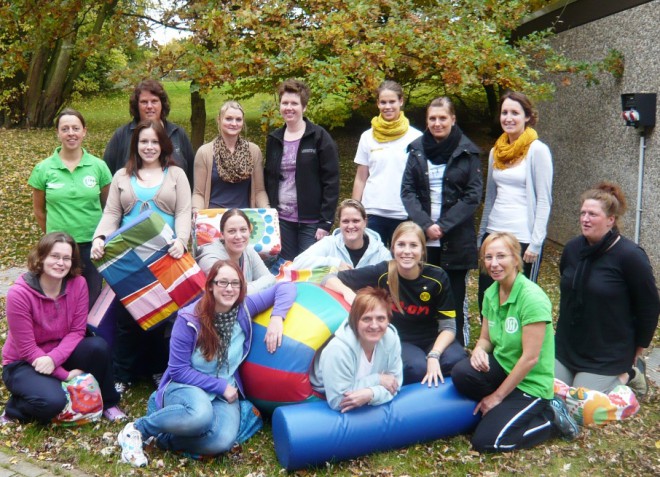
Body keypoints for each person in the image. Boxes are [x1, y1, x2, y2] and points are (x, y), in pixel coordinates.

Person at [117, 260, 296, 466]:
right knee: (200, 416)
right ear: (210, 285)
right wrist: (221, 386)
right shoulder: (189, 319)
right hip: (186, 386)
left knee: (220, 441)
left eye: (235, 283)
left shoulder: (244, 310)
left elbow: (286, 286)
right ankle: (137, 430)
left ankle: (164, 438)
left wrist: (277, 318)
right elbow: (178, 371)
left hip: (222, 395)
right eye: (223, 283)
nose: (229, 289)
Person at [451, 232, 578, 452]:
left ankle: (551, 418)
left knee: (487, 441)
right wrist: (479, 351)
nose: (494, 264)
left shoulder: (531, 298)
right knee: (462, 373)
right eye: (488, 257)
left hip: (531, 382)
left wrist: (496, 398)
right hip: (504, 368)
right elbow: (485, 338)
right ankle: (509, 408)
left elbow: (530, 358)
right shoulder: (492, 292)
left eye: (501, 256)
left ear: (515, 259)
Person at [91, 120, 192, 393]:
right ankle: (124, 373)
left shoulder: (176, 175)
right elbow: (112, 213)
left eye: (154, 142)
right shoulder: (122, 177)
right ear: (136, 145)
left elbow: (184, 211)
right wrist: (100, 237)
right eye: (143, 142)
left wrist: (182, 241)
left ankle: (159, 369)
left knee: (162, 317)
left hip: (165, 255)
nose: (149, 147)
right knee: (128, 318)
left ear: (163, 146)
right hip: (128, 258)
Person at [1, 233, 123, 424]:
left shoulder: (78, 284)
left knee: (98, 347)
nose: (61, 263)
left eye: (67, 258)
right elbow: (26, 348)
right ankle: (15, 408)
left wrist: (54, 359)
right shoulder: (19, 294)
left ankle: (108, 403)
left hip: (61, 352)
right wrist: (63, 375)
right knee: (53, 402)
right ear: (41, 257)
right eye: (55, 256)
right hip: (24, 361)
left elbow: (77, 331)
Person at [324, 221, 466, 386]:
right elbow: (329, 279)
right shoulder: (383, 272)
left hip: (433, 338)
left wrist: (434, 355)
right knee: (417, 368)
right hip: (399, 340)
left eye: (413, 245)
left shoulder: (437, 277)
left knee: (457, 361)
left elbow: (449, 327)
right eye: (401, 245)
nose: (407, 251)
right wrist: (348, 292)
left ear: (422, 250)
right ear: (393, 248)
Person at [555, 182, 659, 397]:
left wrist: (639, 345)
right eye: (583, 213)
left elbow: (649, 304)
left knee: (580, 403)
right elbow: (567, 283)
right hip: (569, 344)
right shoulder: (573, 248)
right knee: (552, 395)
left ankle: (630, 374)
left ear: (611, 220)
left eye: (592, 214)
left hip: (607, 351)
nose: (585, 219)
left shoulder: (630, 256)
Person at [402, 97, 482, 346]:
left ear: (453, 119)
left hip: (455, 241)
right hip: (423, 239)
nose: (437, 123)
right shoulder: (416, 149)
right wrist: (426, 225)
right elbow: (408, 191)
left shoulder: (468, 152)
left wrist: (443, 226)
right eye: (432, 119)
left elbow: (473, 196)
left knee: (453, 300)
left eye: (442, 118)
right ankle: (425, 346)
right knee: (423, 297)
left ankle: (454, 349)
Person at [28, 108, 112, 307]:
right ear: (57, 133)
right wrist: (53, 236)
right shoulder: (44, 168)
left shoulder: (99, 167)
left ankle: (88, 337)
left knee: (91, 299)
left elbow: (109, 208)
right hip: (58, 249)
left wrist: (101, 238)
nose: (71, 133)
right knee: (58, 300)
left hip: (92, 247)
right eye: (65, 129)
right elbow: (39, 211)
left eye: (76, 128)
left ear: (84, 131)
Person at [477, 91, 553, 311]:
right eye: (504, 113)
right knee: (488, 296)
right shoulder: (495, 152)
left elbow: (544, 200)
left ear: (527, 117)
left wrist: (536, 242)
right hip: (494, 232)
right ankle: (489, 344)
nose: (508, 118)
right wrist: (481, 235)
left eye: (515, 113)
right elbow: (490, 197)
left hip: (522, 238)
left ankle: (520, 345)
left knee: (519, 300)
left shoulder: (537, 150)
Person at [263, 78, 340, 261]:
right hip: (282, 219)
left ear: (304, 107)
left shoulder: (319, 137)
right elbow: (270, 179)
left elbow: (332, 181)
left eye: (294, 103)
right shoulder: (274, 139)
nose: (289, 107)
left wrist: (325, 222)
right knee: (286, 268)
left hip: (312, 222)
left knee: (308, 269)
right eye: (285, 103)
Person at [352, 80, 423, 247]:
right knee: (373, 265)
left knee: (400, 265)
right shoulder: (367, 137)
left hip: (404, 212)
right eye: (383, 102)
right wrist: (356, 210)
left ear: (401, 101)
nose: (387, 106)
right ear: (377, 104)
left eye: (392, 101)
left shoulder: (417, 137)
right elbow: (361, 177)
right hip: (373, 212)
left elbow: (421, 179)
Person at [310, 287, 402, 412]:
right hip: (321, 392)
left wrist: (371, 394)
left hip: (357, 388)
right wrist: (378, 380)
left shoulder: (390, 338)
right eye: (367, 319)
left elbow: (395, 383)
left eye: (381, 318)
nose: (374, 325)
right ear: (355, 321)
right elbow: (338, 401)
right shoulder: (338, 349)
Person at [104, 79, 195, 187]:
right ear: (136, 105)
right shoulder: (122, 135)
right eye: (144, 102)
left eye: (154, 101)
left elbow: (191, 177)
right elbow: (107, 177)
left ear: (162, 104)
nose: (149, 106)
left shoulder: (178, 134)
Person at [191, 101, 269, 212]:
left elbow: (259, 191)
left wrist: (268, 210)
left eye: (238, 119)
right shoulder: (204, 152)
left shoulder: (253, 151)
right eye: (228, 119)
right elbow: (199, 193)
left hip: (244, 219)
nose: (234, 123)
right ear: (219, 119)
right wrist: (196, 213)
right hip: (213, 218)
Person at [292, 199, 392, 270]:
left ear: (365, 222)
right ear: (339, 223)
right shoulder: (329, 243)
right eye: (345, 221)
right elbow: (297, 263)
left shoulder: (380, 252)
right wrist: (334, 263)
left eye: (356, 221)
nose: (351, 226)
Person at [196, 208, 275, 293]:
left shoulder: (248, 251)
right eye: (232, 231)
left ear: (249, 231)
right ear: (222, 235)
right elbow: (230, 293)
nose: (238, 236)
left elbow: (271, 280)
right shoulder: (210, 259)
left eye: (243, 230)